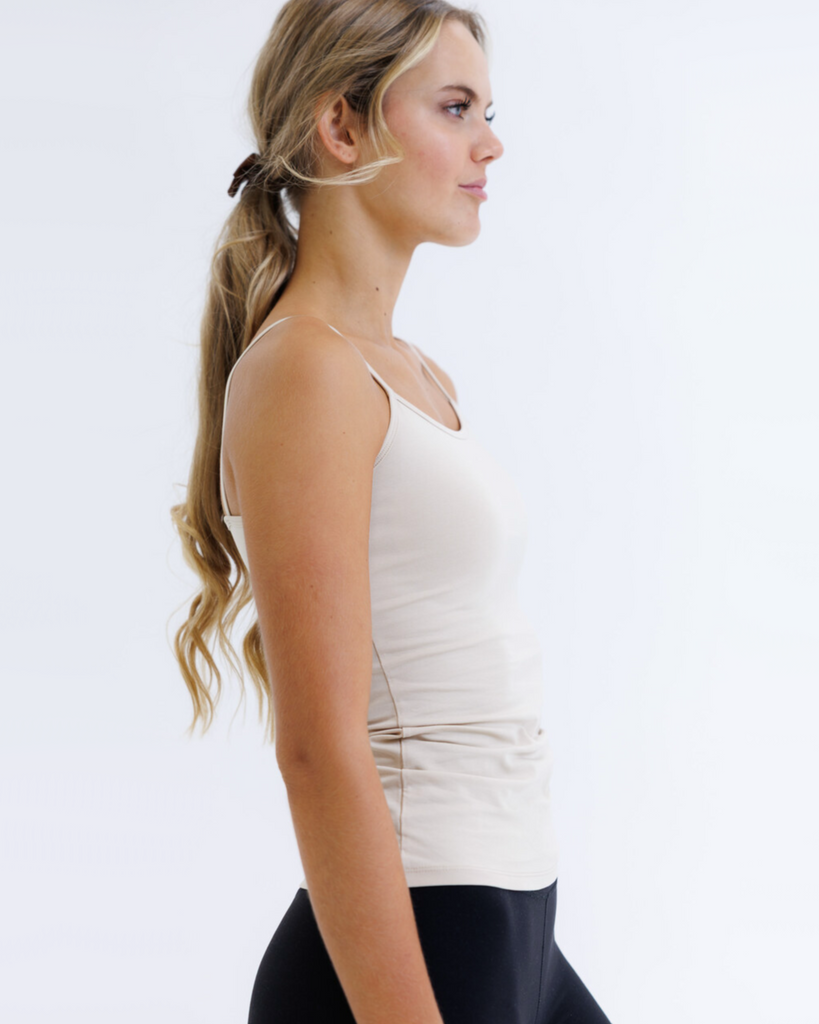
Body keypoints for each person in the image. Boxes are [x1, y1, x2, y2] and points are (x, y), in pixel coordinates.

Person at [171, 1, 613, 1021]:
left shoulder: (409, 374)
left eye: (487, 109)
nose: (490, 142)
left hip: (512, 929)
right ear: (343, 126)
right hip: (418, 947)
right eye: (455, 107)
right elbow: (318, 745)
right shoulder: (304, 375)